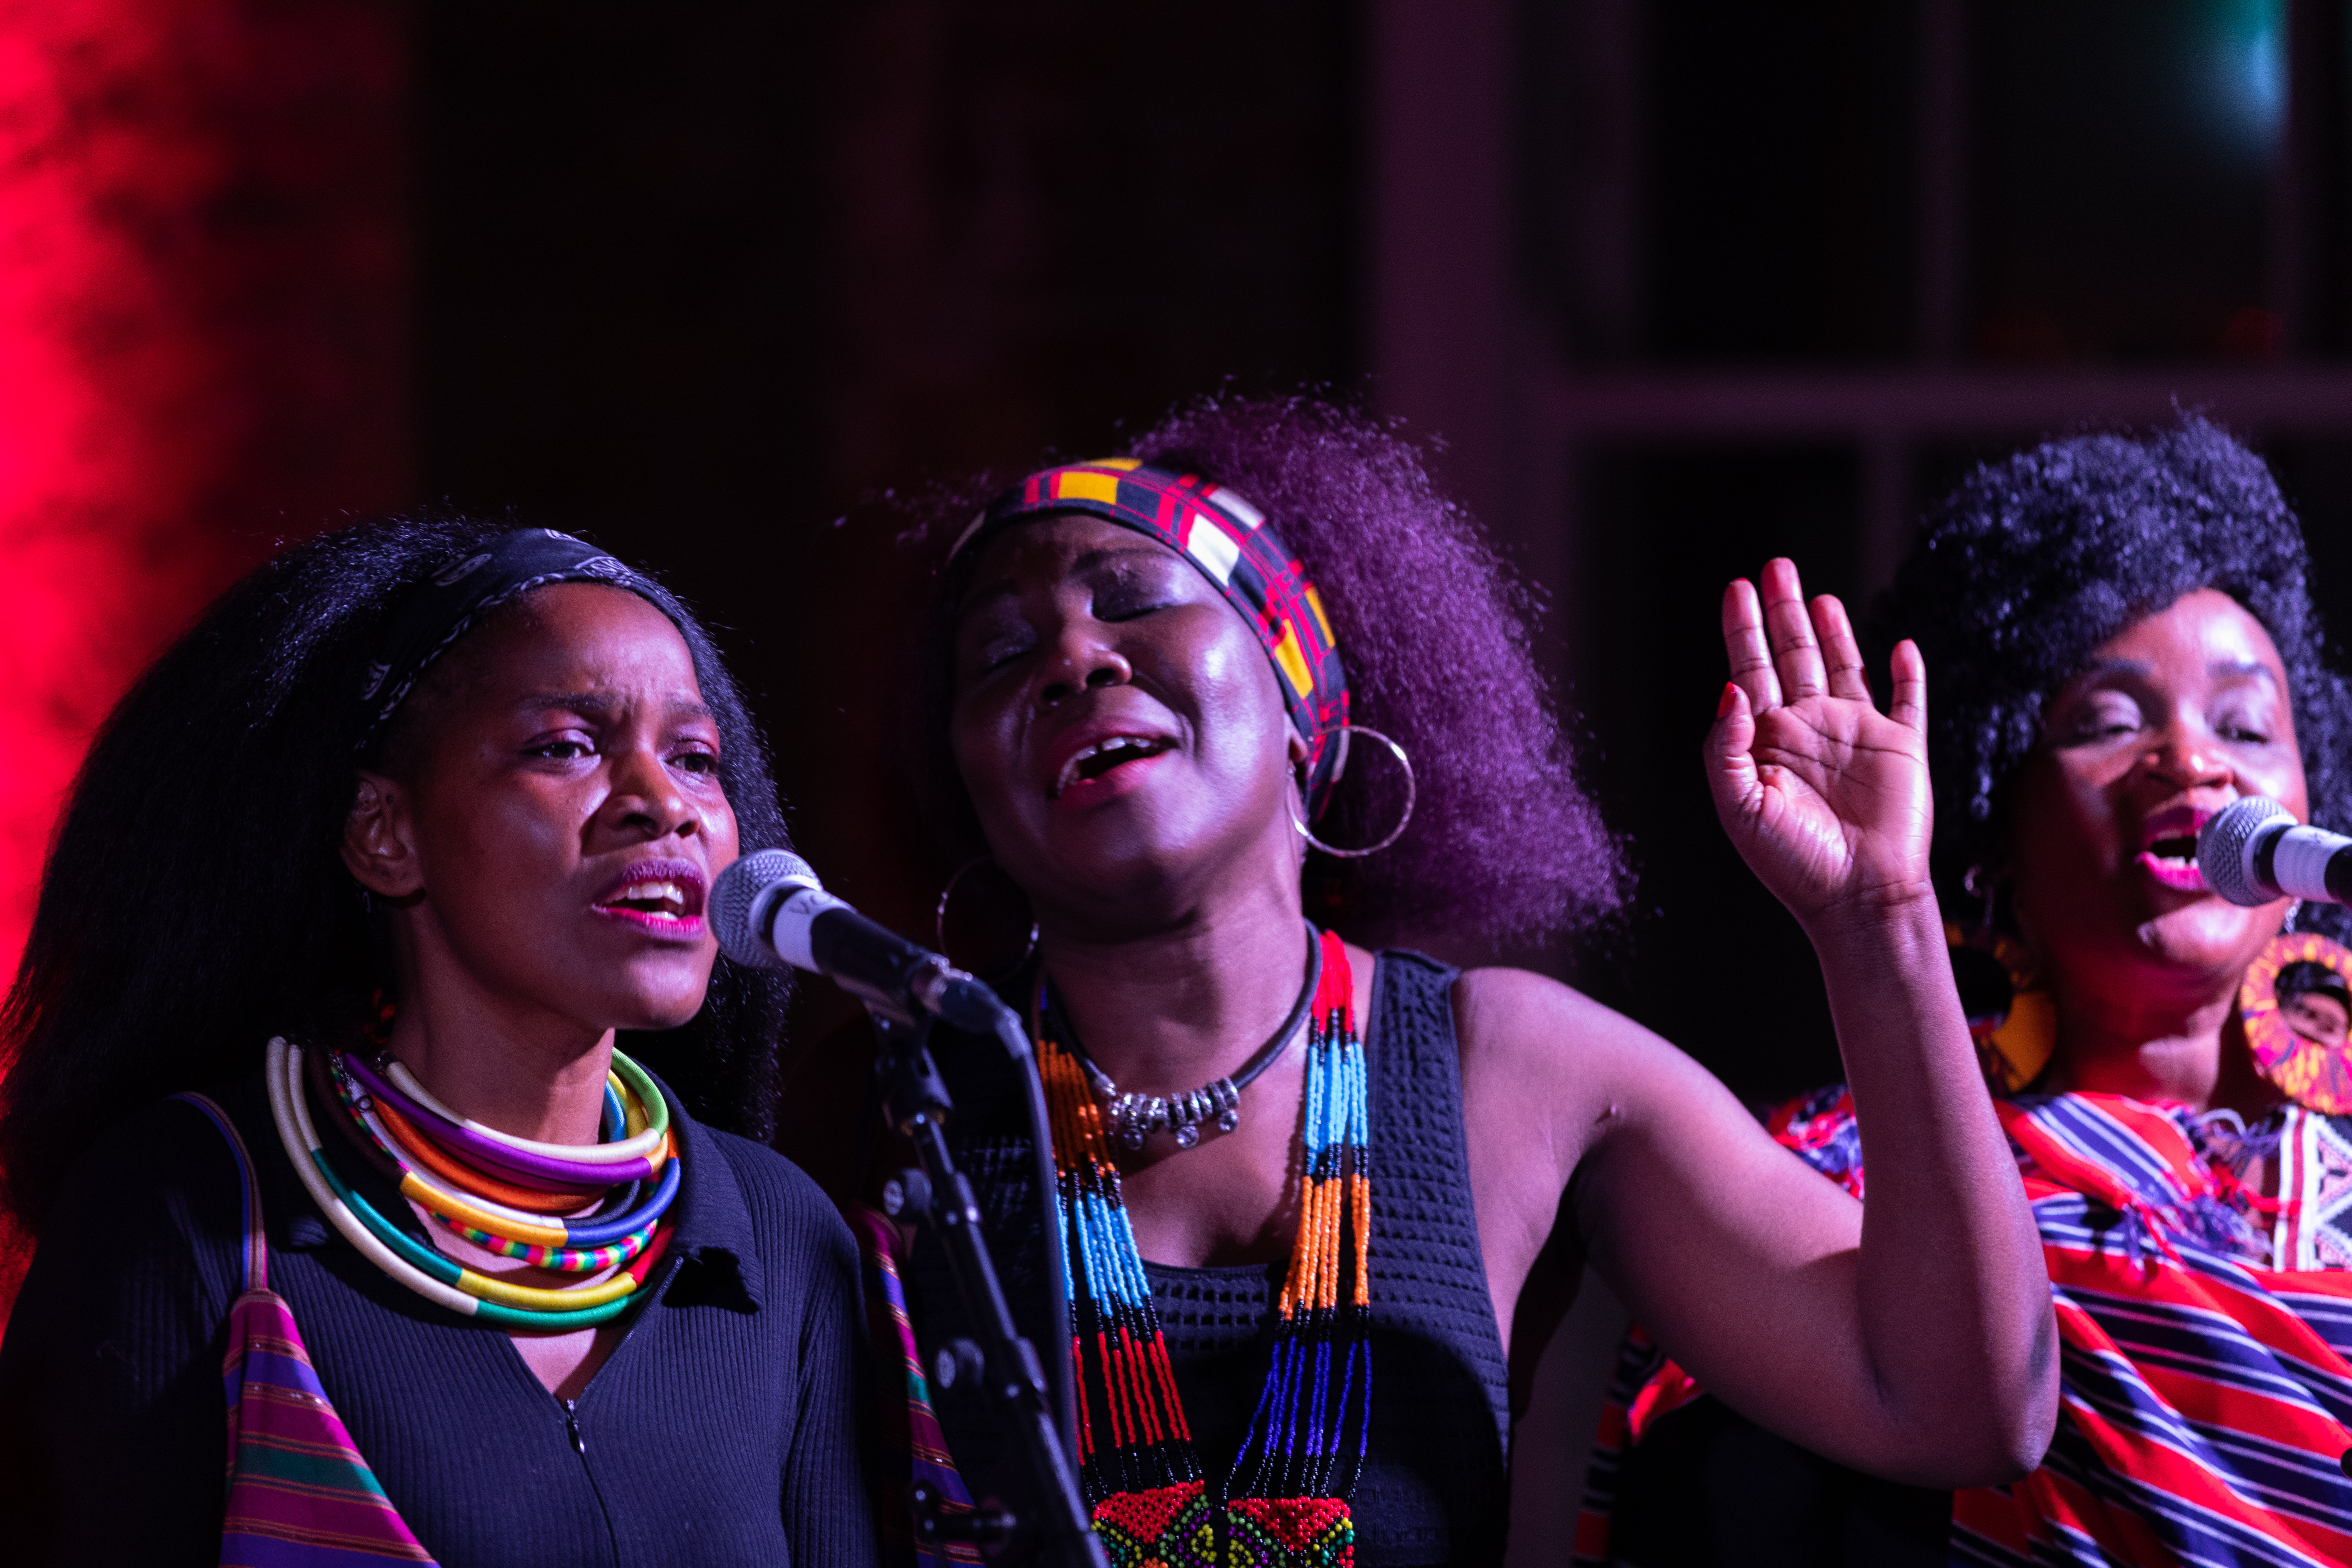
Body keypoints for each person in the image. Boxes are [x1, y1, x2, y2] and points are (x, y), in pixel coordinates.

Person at [854, 395, 2056, 1568]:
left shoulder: (1514, 1067)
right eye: (1002, 655)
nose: (1070, 655)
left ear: (1297, 700)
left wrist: (1878, 918)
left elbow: (1961, 1407)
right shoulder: (894, 1106)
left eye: (1133, 601)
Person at [0, 520, 877, 1566]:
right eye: (566, 745)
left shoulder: (780, 1238)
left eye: (695, 758)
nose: (664, 806)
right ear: (386, 834)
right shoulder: (193, 1204)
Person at [1590, 416, 2352, 1567]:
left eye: (2246, 725)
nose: (2195, 760)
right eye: (2107, 722)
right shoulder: (1832, 1180)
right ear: (1994, 819)